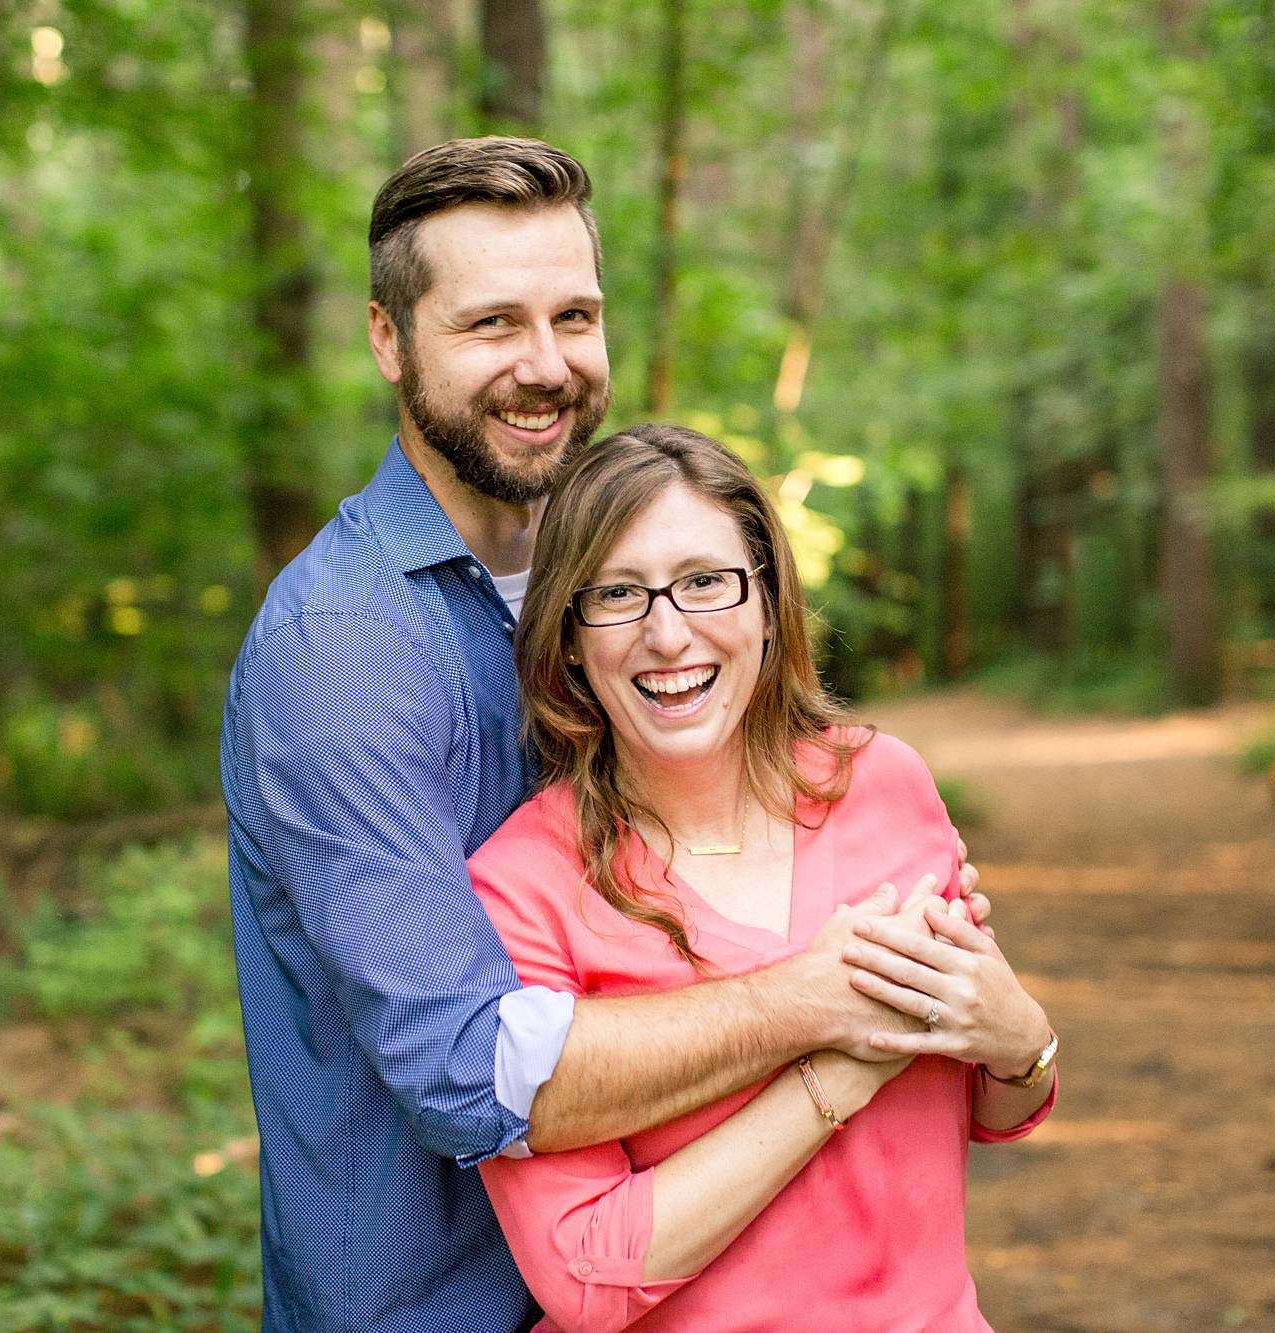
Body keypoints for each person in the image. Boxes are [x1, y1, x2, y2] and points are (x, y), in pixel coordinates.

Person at [220, 138, 986, 1332]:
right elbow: (473, 1071)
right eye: (489, 325)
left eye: (572, 315)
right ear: (387, 338)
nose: (544, 366)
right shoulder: (346, 648)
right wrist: (830, 996)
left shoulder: (584, 591)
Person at [471, 423, 1059, 1332]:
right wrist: (834, 1070)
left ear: (768, 601)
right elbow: (585, 1272)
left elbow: (988, 1104)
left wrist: (1022, 1039)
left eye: (706, 581)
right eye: (619, 594)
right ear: (571, 635)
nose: (669, 633)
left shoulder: (883, 782)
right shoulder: (523, 885)